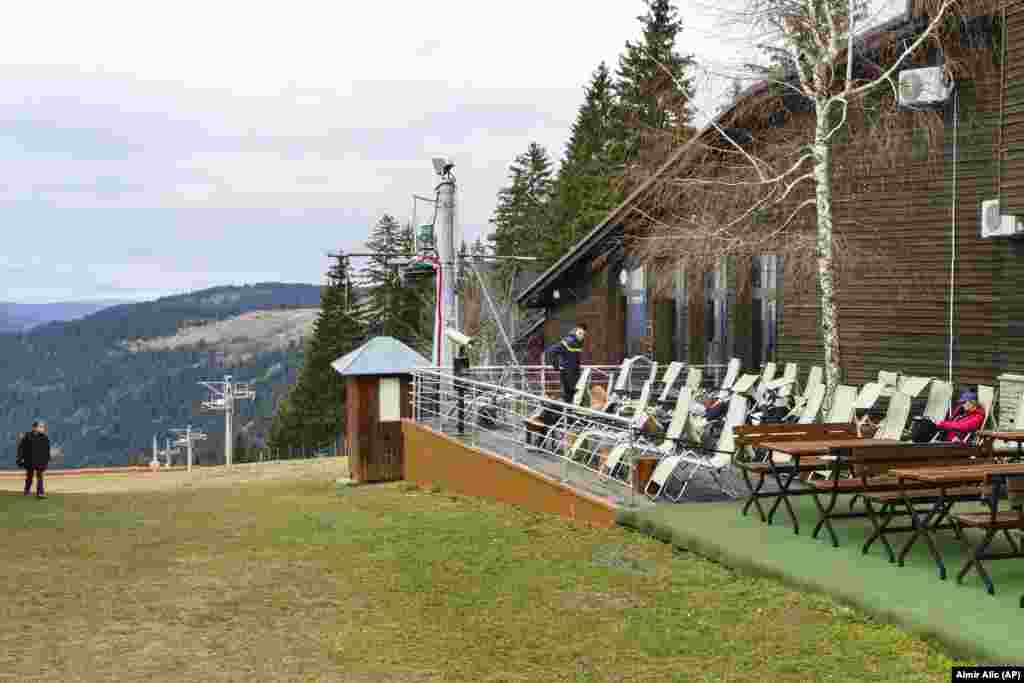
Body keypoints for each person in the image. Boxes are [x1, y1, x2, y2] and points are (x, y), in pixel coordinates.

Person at [546, 324, 587, 404]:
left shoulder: (579, 342)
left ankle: (570, 414)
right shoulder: (568, 341)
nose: (581, 336)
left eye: (583, 334)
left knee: (574, 398)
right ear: (575, 332)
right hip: (567, 375)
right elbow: (551, 352)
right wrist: (556, 366)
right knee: (568, 398)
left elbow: (575, 359)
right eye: (580, 333)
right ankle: (567, 414)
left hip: (575, 374)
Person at [19, 420, 51, 498]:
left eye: (43, 427)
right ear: (34, 428)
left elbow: (47, 450)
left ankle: (40, 493)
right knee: (29, 477)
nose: (43, 428)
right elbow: (21, 448)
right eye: (40, 427)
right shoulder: (27, 436)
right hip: (29, 461)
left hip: (40, 461)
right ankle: (27, 490)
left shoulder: (45, 438)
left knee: (40, 477)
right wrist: (20, 458)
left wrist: (47, 460)